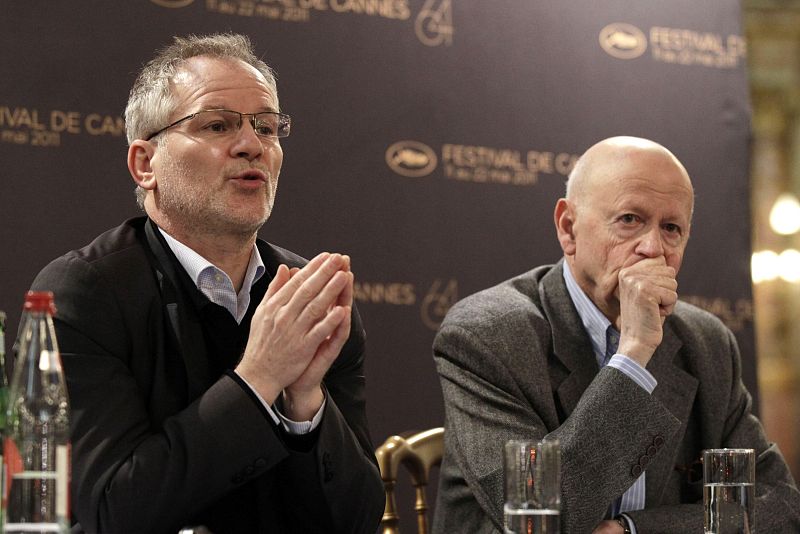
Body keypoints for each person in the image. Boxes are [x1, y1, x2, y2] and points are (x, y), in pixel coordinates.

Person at [27, 33, 384, 534]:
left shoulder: (308, 297)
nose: (251, 145)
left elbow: (356, 521)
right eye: (217, 125)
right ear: (145, 164)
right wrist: (259, 378)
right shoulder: (85, 292)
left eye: (267, 127)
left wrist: (306, 403)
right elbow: (111, 513)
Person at [431, 136, 800, 533]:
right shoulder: (489, 335)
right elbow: (546, 519)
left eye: (672, 228)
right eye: (630, 220)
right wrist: (634, 353)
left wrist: (633, 530)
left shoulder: (706, 342)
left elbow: (778, 506)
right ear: (568, 228)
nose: (652, 248)